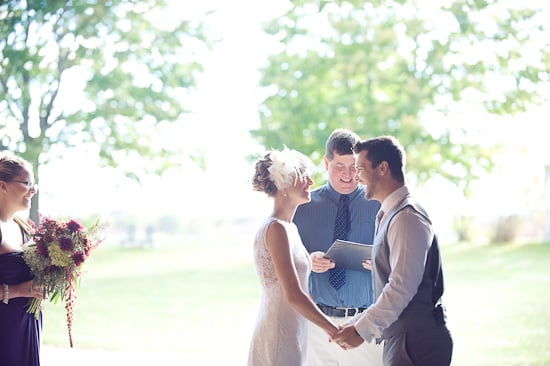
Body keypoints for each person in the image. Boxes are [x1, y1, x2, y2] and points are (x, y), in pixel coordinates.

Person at [333, 136, 453, 366]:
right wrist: (356, 323)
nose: (355, 177)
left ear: (383, 168)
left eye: (360, 168)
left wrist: (360, 330)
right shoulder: (388, 214)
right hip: (402, 340)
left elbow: (402, 286)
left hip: (417, 343)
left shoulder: (407, 217)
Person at [293, 128, 384, 365]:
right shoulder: (303, 207)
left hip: (364, 324)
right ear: (326, 163)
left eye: (354, 167)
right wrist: (308, 261)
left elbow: (403, 262)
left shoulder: (380, 205)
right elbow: (284, 262)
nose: (348, 175)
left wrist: (381, 261)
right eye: (339, 167)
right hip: (316, 325)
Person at [247, 147, 340, 366]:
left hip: (296, 329)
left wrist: (312, 260)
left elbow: (293, 267)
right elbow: (294, 294)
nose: (310, 181)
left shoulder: (290, 228)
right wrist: (333, 329)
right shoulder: (276, 229)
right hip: (278, 331)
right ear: (284, 185)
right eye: (303, 176)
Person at [0, 152, 44, 366]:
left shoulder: (23, 226)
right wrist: (18, 290)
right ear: (2, 186)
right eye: (27, 183)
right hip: (4, 330)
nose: (33, 189)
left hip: (26, 325)